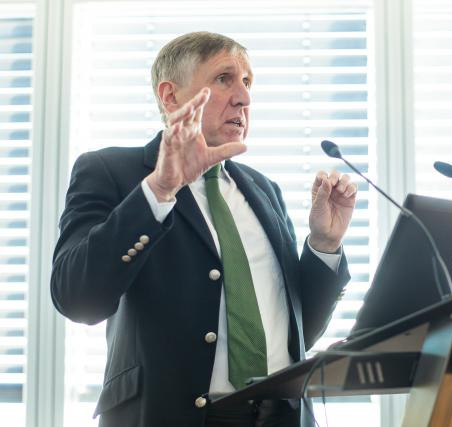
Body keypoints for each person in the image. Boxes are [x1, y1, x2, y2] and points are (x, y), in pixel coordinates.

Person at [50, 32, 356, 427]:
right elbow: (77, 298)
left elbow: (293, 335)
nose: (244, 97)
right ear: (171, 96)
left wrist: (325, 244)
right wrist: (159, 189)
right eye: (224, 78)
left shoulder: (264, 190)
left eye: (248, 82)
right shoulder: (110, 172)